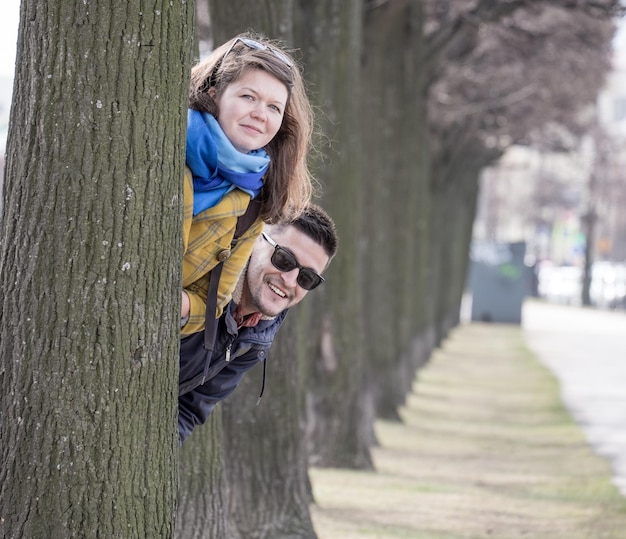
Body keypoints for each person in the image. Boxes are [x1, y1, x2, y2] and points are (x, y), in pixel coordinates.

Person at [181, 32, 316, 335]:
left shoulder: (254, 198)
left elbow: (213, 303)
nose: (260, 115)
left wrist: (172, 305)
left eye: (274, 107)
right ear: (215, 93)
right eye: (248, 97)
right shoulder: (165, 149)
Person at [178, 204, 338, 444]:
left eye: (307, 278)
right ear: (257, 241)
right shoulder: (199, 277)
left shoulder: (256, 338)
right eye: (284, 259)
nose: (290, 280)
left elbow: (190, 409)